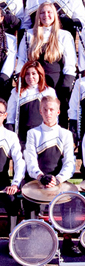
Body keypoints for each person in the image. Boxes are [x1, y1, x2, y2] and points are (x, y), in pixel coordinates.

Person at [24, 96, 76, 254]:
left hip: (58, 181)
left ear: (58, 112)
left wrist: (58, 178)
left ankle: (67, 240)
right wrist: (40, 176)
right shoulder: (33, 133)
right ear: (40, 111)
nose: (48, 113)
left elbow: (70, 163)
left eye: (52, 109)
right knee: (28, 198)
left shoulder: (65, 134)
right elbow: (30, 160)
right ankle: (33, 240)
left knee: (69, 197)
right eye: (45, 109)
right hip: (37, 180)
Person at [16, 3, 76, 124]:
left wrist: (65, 86)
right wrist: (21, 80)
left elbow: (70, 63)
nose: (46, 15)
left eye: (49, 12)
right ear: (38, 16)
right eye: (42, 13)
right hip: (34, 82)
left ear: (54, 15)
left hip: (57, 83)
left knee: (57, 118)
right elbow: (22, 60)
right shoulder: (29, 35)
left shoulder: (64, 35)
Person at [7, 61, 56, 147]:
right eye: (27, 74)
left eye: (34, 74)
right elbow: (10, 117)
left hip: (43, 135)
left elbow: (54, 116)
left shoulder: (48, 91)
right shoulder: (16, 93)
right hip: (23, 136)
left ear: (39, 74)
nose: (31, 77)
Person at [0, 98, 25, 229]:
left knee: (12, 200)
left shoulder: (10, 136)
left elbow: (19, 162)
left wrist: (15, 183)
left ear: (5, 115)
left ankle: (12, 238)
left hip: (2, 183)